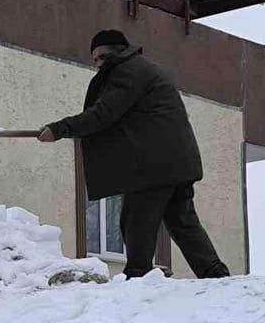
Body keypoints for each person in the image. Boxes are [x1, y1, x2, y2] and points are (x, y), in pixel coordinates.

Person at [38, 29, 230, 279]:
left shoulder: (128, 71)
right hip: (175, 162)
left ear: (120, 50)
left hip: (155, 164)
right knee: (182, 221)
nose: (98, 64)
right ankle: (214, 273)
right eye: (94, 59)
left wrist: (58, 129)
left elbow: (103, 114)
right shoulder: (143, 69)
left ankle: (137, 276)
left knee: (137, 218)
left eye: (103, 56)